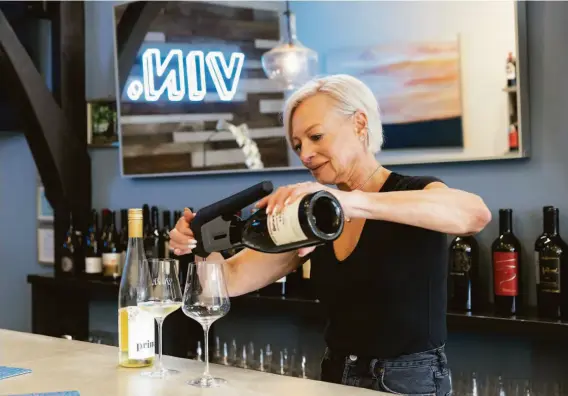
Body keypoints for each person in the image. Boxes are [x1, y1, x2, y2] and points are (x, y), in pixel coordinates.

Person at [169, 74, 491, 395]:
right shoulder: (315, 216)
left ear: (360, 124)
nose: (305, 154)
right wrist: (199, 242)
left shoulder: (414, 192)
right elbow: (230, 279)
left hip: (407, 381)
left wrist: (348, 202)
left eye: (316, 136)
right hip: (334, 374)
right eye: (298, 145)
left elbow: (475, 214)